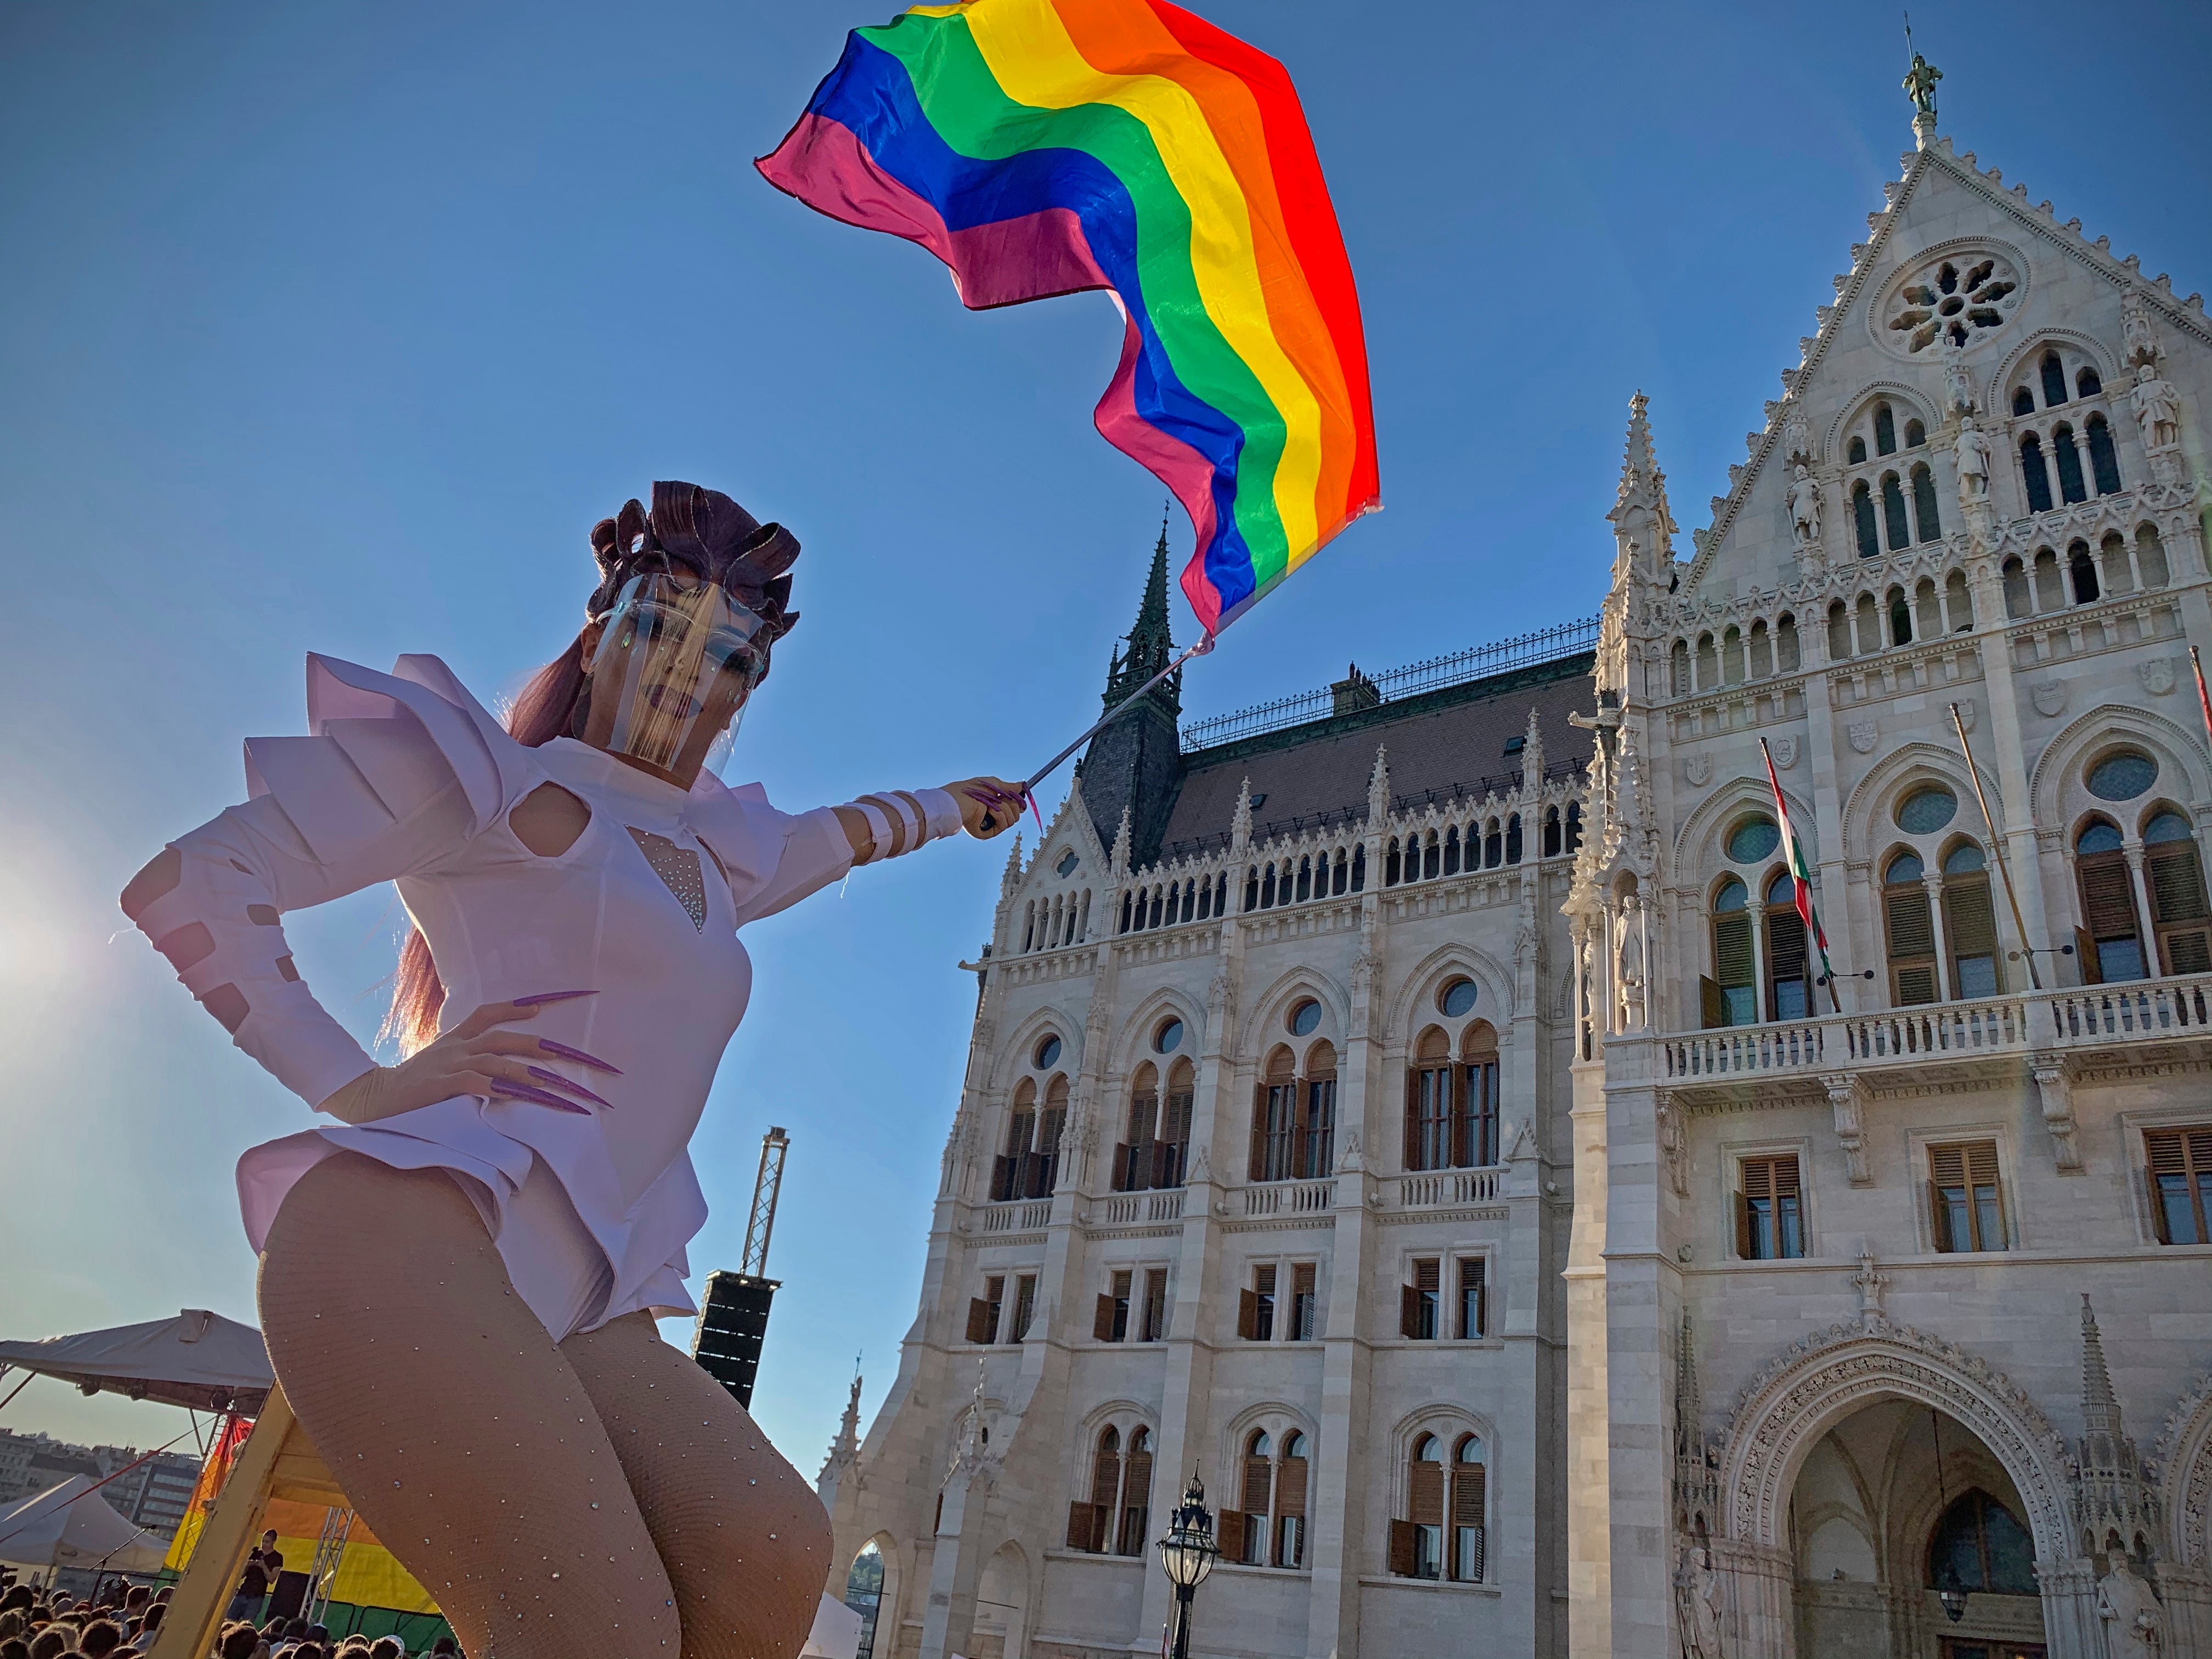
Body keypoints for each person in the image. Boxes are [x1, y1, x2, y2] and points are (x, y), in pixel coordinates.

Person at [122, 481, 1024, 1659]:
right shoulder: (492, 780)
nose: (685, 673)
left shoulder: (723, 856)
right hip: (414, 1241)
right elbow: (191, 886)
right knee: (602, 1631)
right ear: (598, 634)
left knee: (771, 1558)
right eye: (658, 627)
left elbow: (853, 828)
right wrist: (358, 1085)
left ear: (750, 689)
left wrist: (960, 808)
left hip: (586, 1293)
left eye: (732, 659)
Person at [227, 1533, 281, 1625]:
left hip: (256, 1597)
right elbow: (241, 1576)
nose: (264, 1544)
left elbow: (272, 1579)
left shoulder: (277, 1558)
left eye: (267, 1542)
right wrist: (247, 1565)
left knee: (246, 1625)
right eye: (263, 1541)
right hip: (242, 1593)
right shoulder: (255, 1554)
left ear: (274, 1542)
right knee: (228, 1620)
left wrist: (263, 1567)